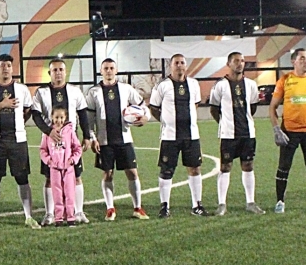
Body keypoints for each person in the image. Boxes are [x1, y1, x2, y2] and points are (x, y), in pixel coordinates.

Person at [0, 54, 40, 230]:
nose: (6, 68)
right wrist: (2, 105)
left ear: (12, 68)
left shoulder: (21, 89)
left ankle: (29, 217)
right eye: (2, 65)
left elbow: (27, 110)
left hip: (18, 141)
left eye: (9, 65)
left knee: (22, 178)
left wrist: (19, 124)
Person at [86, 58, 151, 221]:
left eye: (111, 68)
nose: (109, 71)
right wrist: (93, 138)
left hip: (125, 139)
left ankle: (137, 208)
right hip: (104, 142)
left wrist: (145, 117)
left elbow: (143, 106)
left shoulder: (126, 89)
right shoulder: (94, 92)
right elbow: (89, 119)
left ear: (116, 70)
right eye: (106, 68)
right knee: (107, 174)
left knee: (132, 172)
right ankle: (110, 208)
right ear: (101, 71)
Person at [32, 57, 92, 225]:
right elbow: (36, 115)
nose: (58, 73)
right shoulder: (41, 92)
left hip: (70, 143)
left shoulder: (74, 91)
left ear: (66, 72)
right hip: (50, 142)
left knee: (76, 177)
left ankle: (78, 212)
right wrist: (48, 132)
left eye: (61, 69)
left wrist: (87, 136)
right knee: (50, 179)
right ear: (49, 72)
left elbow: (83, 113)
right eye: (55, 70)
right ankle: (50, 214)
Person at [149, 54, 210, 217]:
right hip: (170, 136)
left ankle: (197, 205)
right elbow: (153, 107)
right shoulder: (162, 86)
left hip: (191, 135)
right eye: (176, 63)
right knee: (167, 170)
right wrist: (166, 121)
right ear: (171, 66)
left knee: (195, 168)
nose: (180, 65)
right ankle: (164, 206)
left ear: (186, 65)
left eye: (182, 62)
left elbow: (195, 104)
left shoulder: (194, 84)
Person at [269, 47, 306, 213]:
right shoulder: (285, 80)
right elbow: (272, 107)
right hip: (289, 131)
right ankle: (280, 202)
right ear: (293, 61)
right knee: (284, 166)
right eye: (302, 58)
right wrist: (277, 129)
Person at [209, 52, 266, 216]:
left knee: (248, 166)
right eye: (236, 61)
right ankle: (222, 204)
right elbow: (214, 109)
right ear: (229, 64)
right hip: (228, 134)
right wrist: (224, 124)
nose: (240, 64)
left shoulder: (251, 85)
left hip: (247, 133)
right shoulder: (220, 85)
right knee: (225, 167)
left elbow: (252, 107)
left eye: (242, 61)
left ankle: (250, 202)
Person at [39, 106, 82, 226]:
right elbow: (43, 150)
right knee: (57, 194)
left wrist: (73, 160)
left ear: (65, 117)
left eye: (62, 117)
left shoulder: (70, 131)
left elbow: (77, 148)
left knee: (69, 193)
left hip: (68, 169)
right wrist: (49, 161)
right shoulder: (48, 133)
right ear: (52, 117)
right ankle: (58, 218)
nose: (59, 120)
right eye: (56, 117)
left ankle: (70, 218)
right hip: (54, 169)